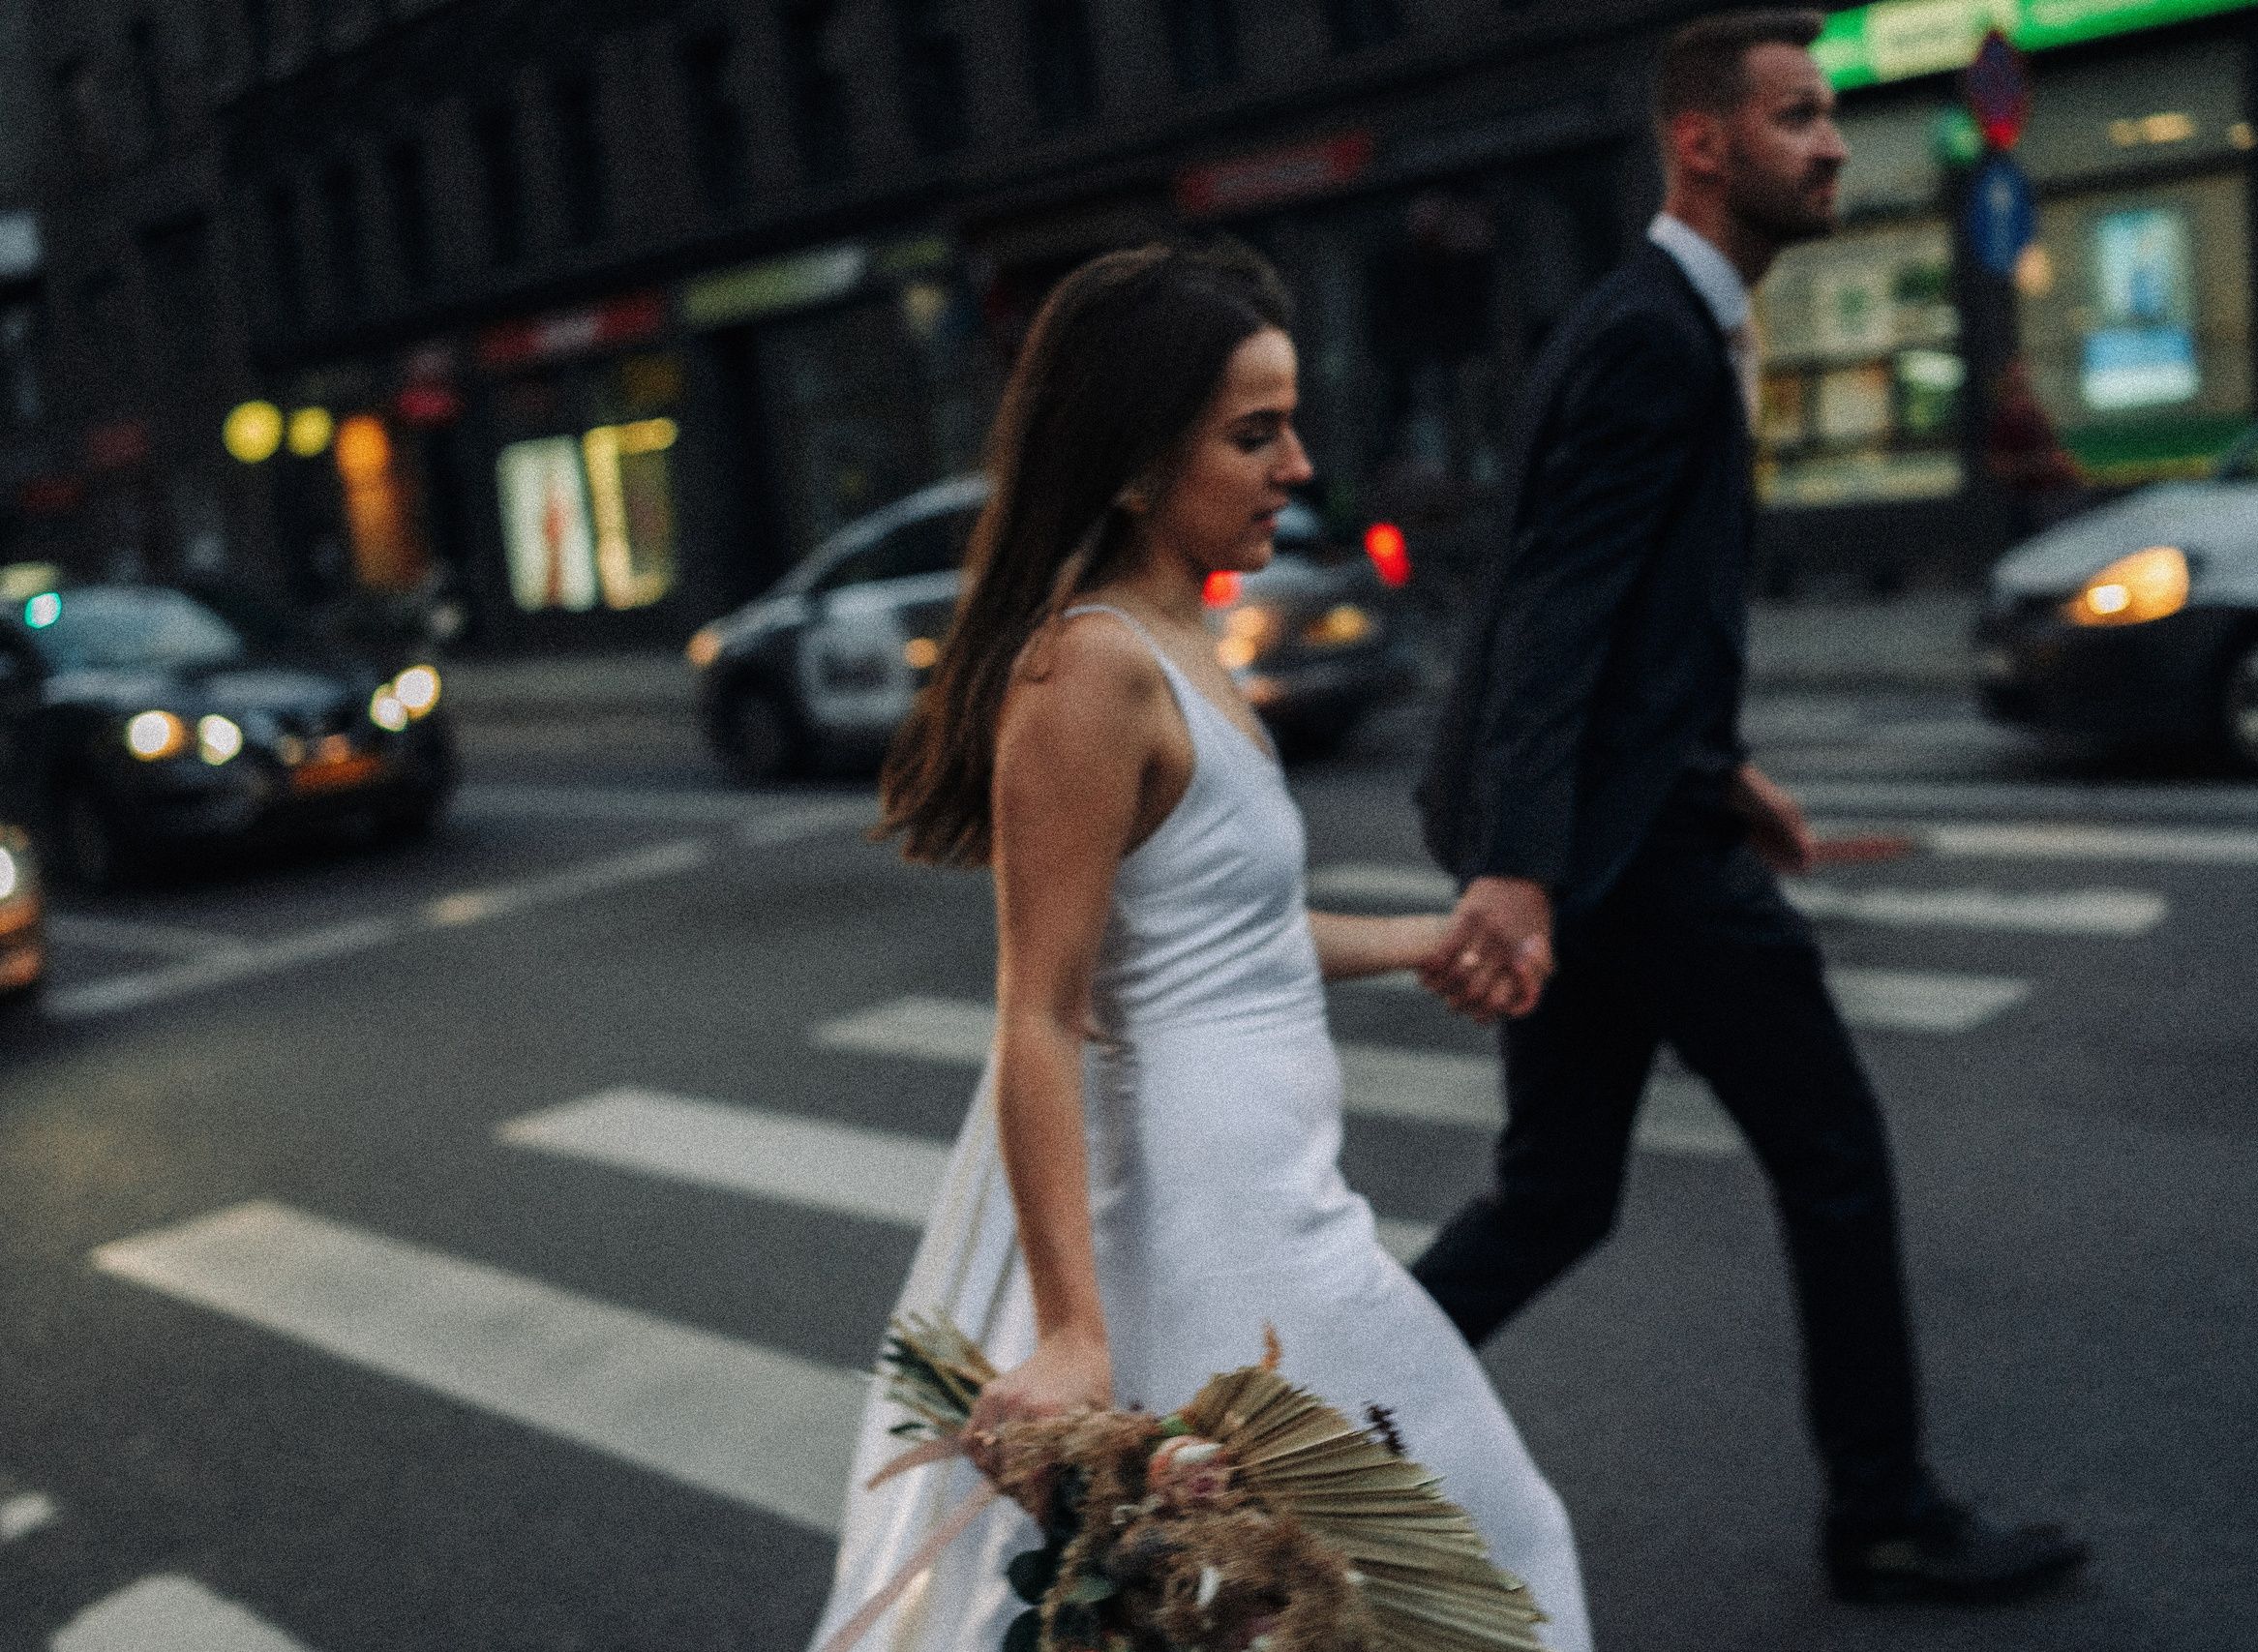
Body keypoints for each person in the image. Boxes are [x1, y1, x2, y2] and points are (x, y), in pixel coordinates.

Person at [809, 243, 1592, 1652]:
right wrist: (1071, 1332)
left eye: (1291, 422)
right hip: (1209, 1228)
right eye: (1254, 433)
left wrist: (1435, 934)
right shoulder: (1086, 669)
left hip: (1273, 1198)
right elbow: (1040, 1012)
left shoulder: (1184, 638)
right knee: (1471, 1561)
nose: (1298, 464)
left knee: (1353, 1603)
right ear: (1131, 455)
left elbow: (1212, 936)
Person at [1411, 9, 2089, 1605]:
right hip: (1629, 860)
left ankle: (1294, 1437)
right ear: (1705, 143)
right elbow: (1557, 611)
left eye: (1829, 116)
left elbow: (1617, 613)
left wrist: (1725, 768)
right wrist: (1519, 871)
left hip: (1628, 826)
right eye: (1797, 116)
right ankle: (1885, 1512)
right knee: (1832, 1147)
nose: (1835, 143)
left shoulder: (1662, 320)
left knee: (1555, 1197)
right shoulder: (1653, 334)